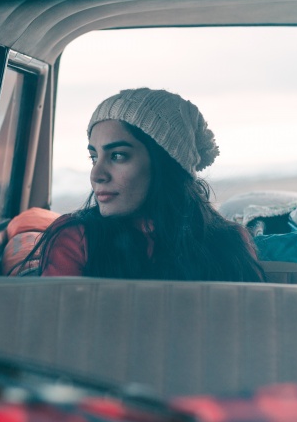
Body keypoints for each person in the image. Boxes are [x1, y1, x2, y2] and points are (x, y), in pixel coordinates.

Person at [19, 88, 265, 281]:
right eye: (94, 157)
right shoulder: (77, 237)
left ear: (165, 164)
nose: (97, 174)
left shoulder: (228, 240)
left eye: (117, 156)